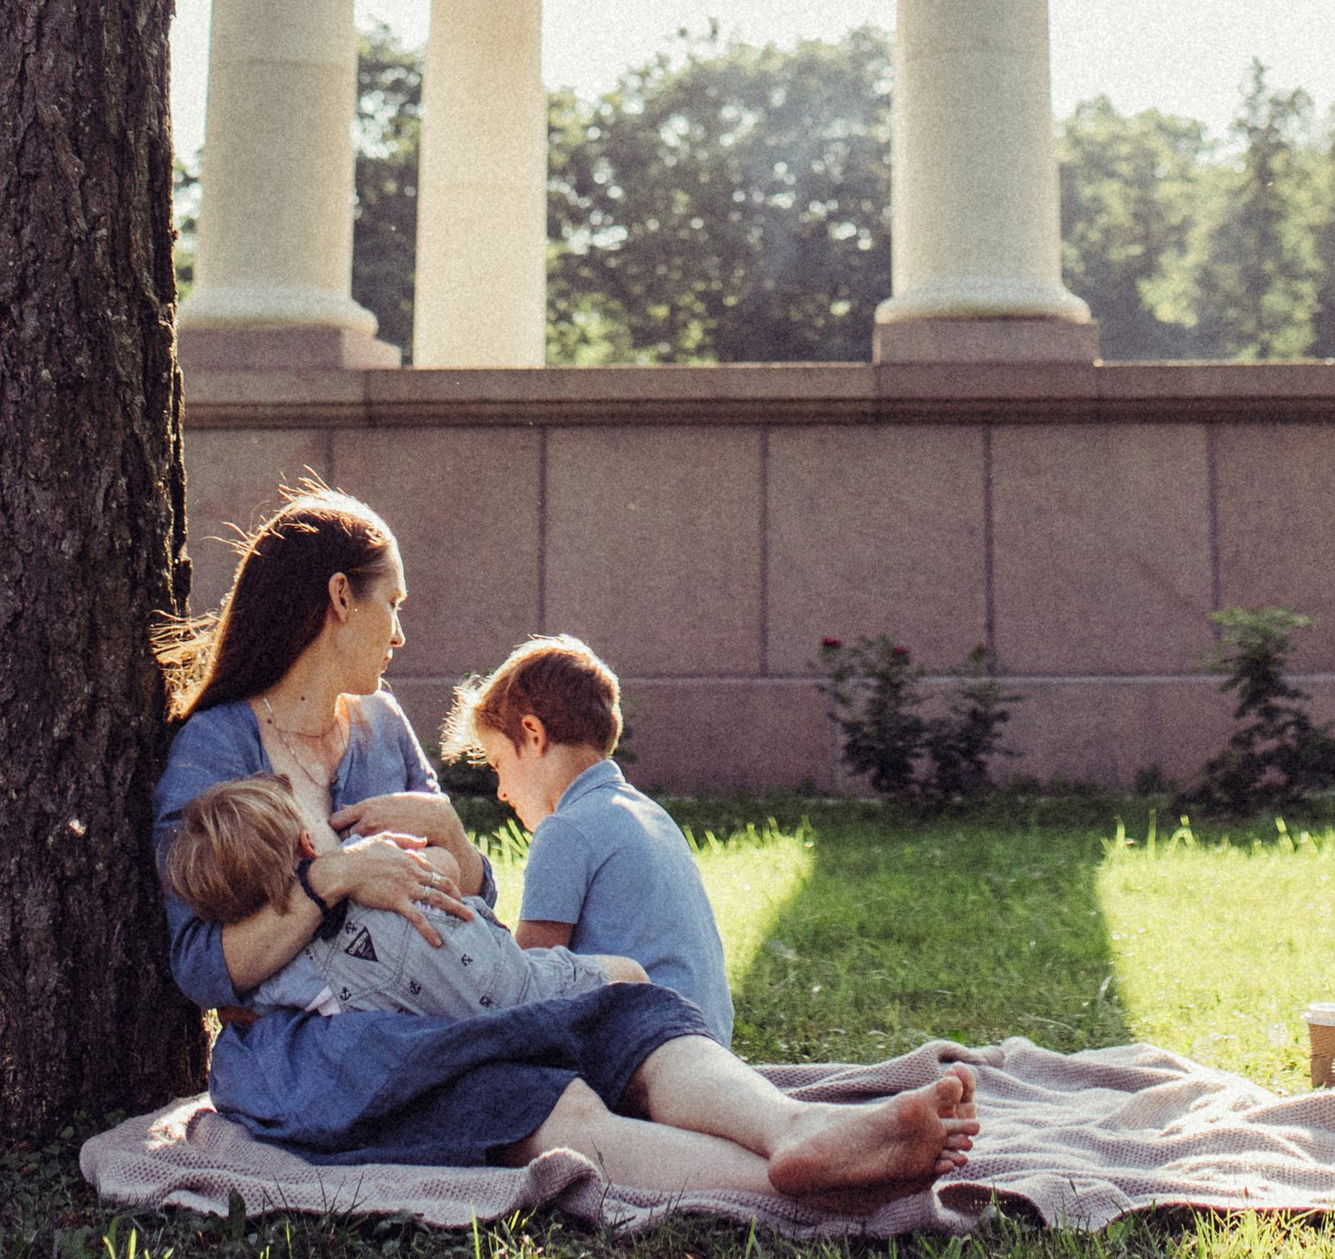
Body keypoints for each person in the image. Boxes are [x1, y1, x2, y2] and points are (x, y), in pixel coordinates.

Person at [155, 487, 978, 1195]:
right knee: (547, 1101)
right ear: (341, 597)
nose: (399, 633)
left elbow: (471, 895)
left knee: (631, 1006)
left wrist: (458, 848)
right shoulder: (215, 746)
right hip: (326, 1048)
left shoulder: (380, 724)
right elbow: (200, 966)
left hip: (455, 989)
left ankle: (796, 1129)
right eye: (393, 603)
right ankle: (801, 1184)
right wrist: (332, 880)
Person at [160, 766, 651, 1023]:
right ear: (308, 843)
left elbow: (246, 1012)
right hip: (518, 985)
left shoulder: (273, 978)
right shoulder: (365, 860)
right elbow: (447, 869)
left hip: (448, 1032)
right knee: (629, 976)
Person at [442, 636, 735, 1043]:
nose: (502, 792)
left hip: (646, 1044)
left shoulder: (566, 830)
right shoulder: (650, 815)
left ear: (533, 733)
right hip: (706, 1040)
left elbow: (526, 987)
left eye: (498, 764)